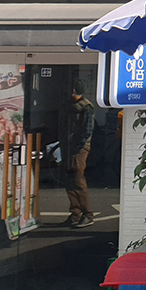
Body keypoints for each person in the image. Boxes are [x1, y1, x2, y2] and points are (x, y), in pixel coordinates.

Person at [65, 79, 95, 228]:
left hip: (79, 148)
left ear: (73, 91)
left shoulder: (86, 107)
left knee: (78, 180)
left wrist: (78, 144)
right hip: (72, 147)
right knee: (70, 179)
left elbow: (87, 130)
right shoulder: (77, 106)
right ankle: (75, 213)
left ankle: (87, 214)